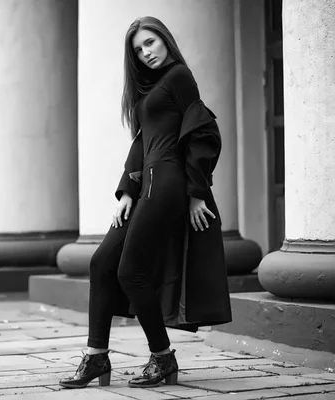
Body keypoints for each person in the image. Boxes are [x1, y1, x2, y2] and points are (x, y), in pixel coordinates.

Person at [59, 16, 232, 389]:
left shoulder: (179, 77)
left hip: (168, 181)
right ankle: (95, 357)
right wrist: (126, 191)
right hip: (147, 182)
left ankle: (162, 356)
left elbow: (202, 132)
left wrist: (196, 193)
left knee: (129, 270)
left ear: (165, 39)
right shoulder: (151, 89)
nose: (146, 53)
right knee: (102, 261)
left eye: (150, 42)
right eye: (139, 49)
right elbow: (141, 143)